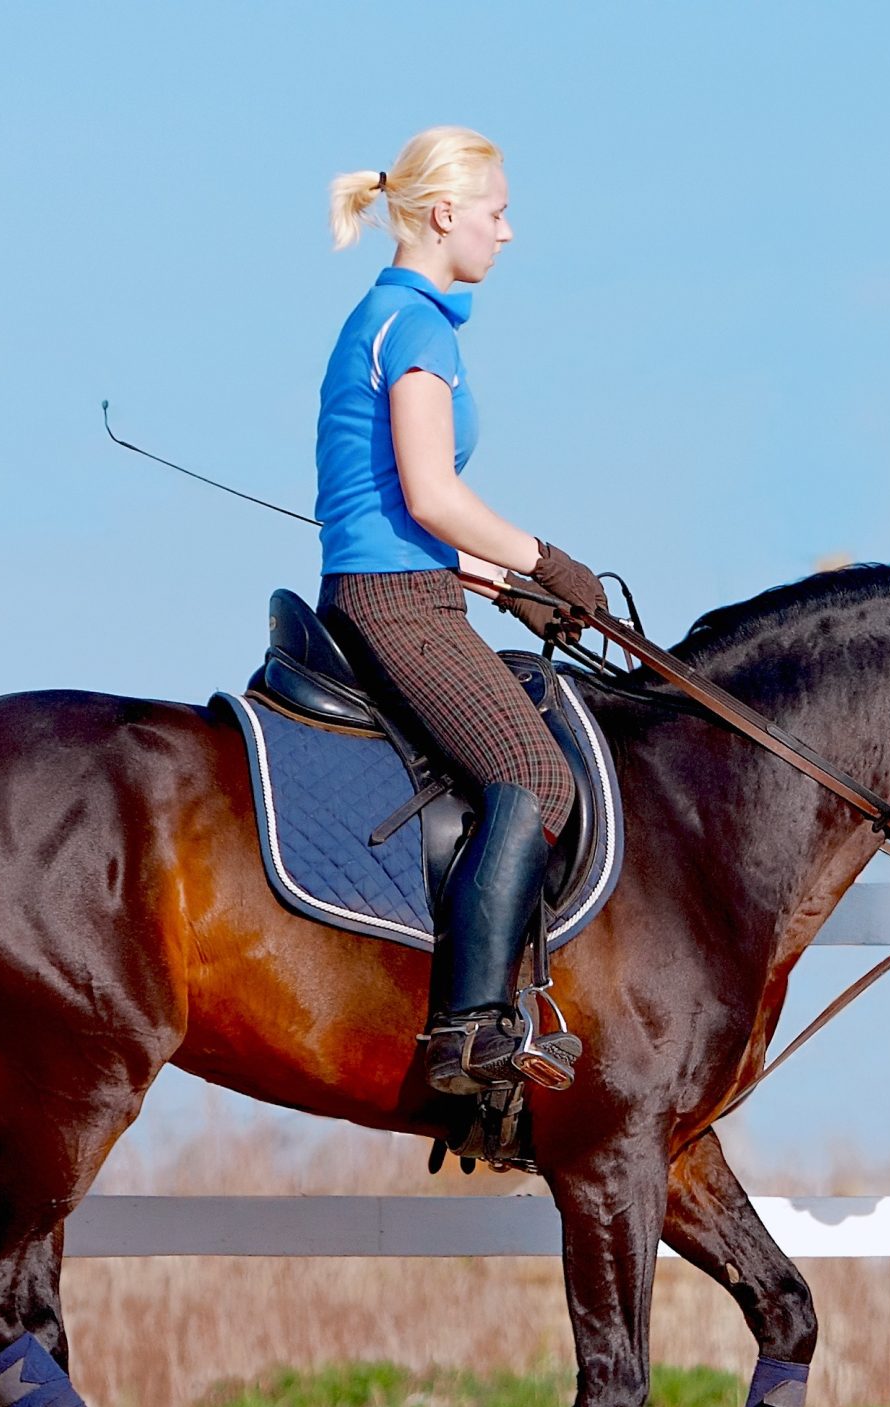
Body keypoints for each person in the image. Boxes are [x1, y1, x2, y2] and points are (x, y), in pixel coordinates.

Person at [314, 126, 604, 1096]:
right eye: (495, 211)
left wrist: (506, 588)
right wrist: (548, 559)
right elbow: (433, 496)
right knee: (535, 773)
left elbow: (407, 514)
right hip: (398, 603)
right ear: (444, 215)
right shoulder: (417, 327)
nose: (506, 232)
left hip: (415, 585)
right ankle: (470, 1027)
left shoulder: (394, 318)